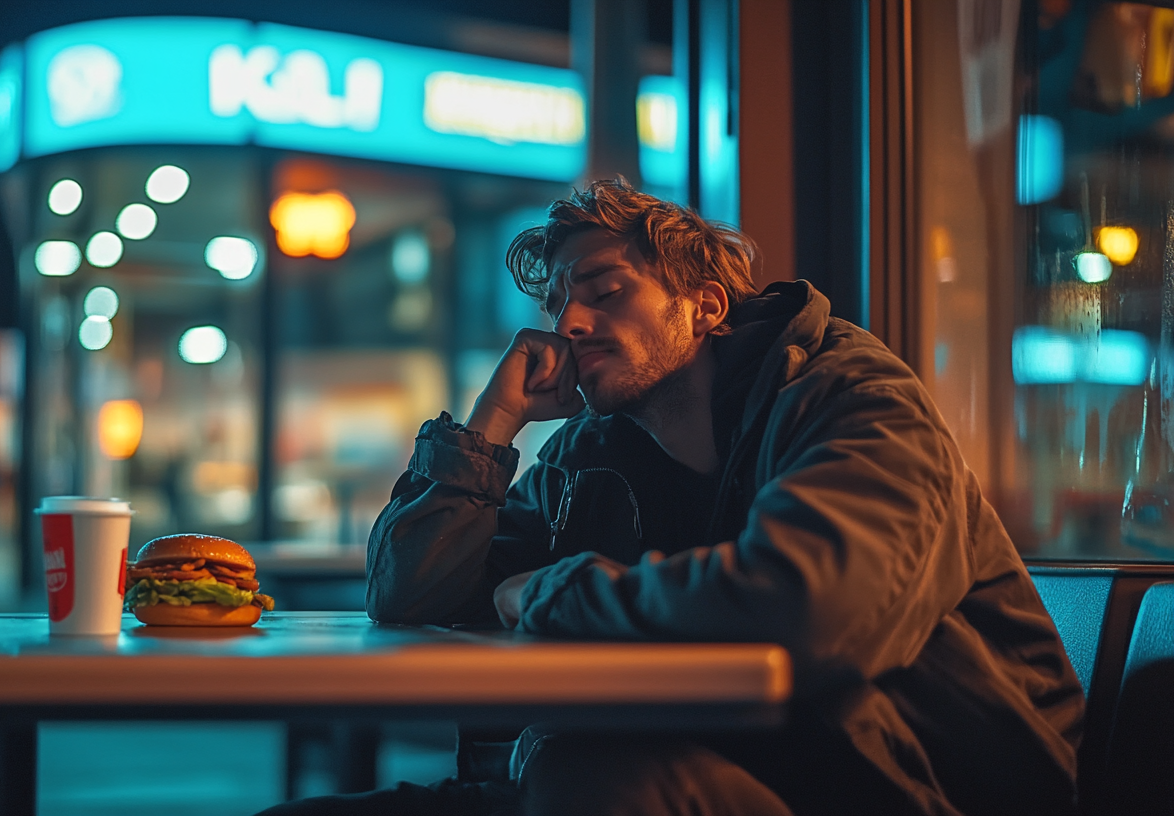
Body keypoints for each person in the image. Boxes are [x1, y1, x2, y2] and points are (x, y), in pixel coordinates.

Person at [257, 180, 1082, 816]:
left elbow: (812, 611)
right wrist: (492, 424)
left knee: (591, 774)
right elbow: (411, 597)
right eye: (559, 304)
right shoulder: (597, 449)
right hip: (659, 773)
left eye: (605, 290)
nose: (569, 324)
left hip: (902, 787)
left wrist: (549, 592)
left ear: (706, 305)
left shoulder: (850, 396)